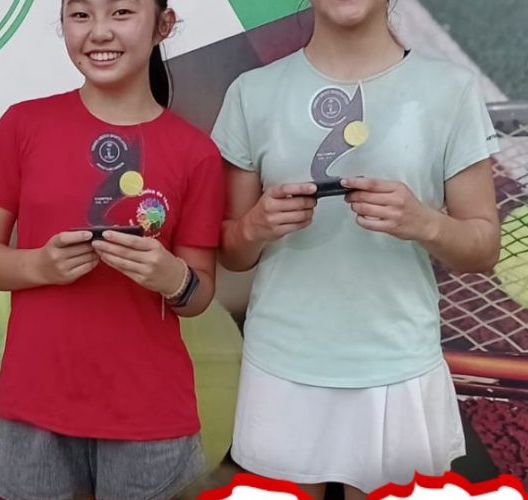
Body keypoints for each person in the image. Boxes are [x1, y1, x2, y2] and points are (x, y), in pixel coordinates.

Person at [211, 0, 501, 498]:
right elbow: (232, 252)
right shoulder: (251, 92)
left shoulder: (451, 90)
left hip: (398, 364)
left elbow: (484, 248)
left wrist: (424, 223)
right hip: (282, 362)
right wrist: (256, 226)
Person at [0, 0, 225, 498]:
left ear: (163, 26)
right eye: (80, 15)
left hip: (150, 416)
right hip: (33, 406)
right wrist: (39, 265)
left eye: (121, 12)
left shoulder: (196, 153)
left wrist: (172, 278)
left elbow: (199, 294)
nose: (99, 32)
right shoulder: (24, 124)